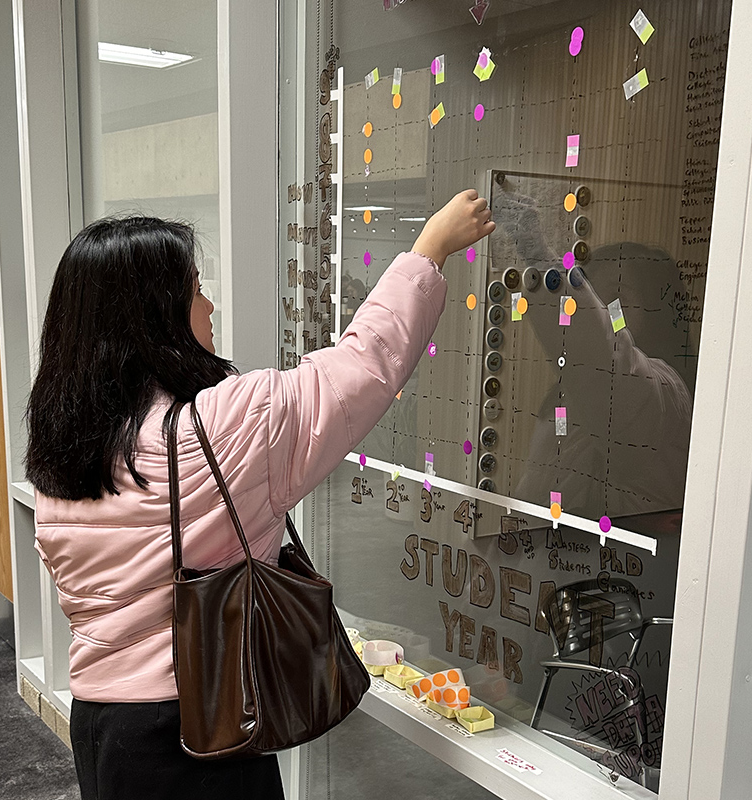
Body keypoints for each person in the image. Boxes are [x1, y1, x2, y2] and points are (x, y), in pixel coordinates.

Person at [25, 190, 494, 800]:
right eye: (195, 289)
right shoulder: (225, 427)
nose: (210, 303)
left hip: (102, 727)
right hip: (205, 726)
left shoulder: (62, 453)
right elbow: (361, 367)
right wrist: (428, 251)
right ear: (154, 314)